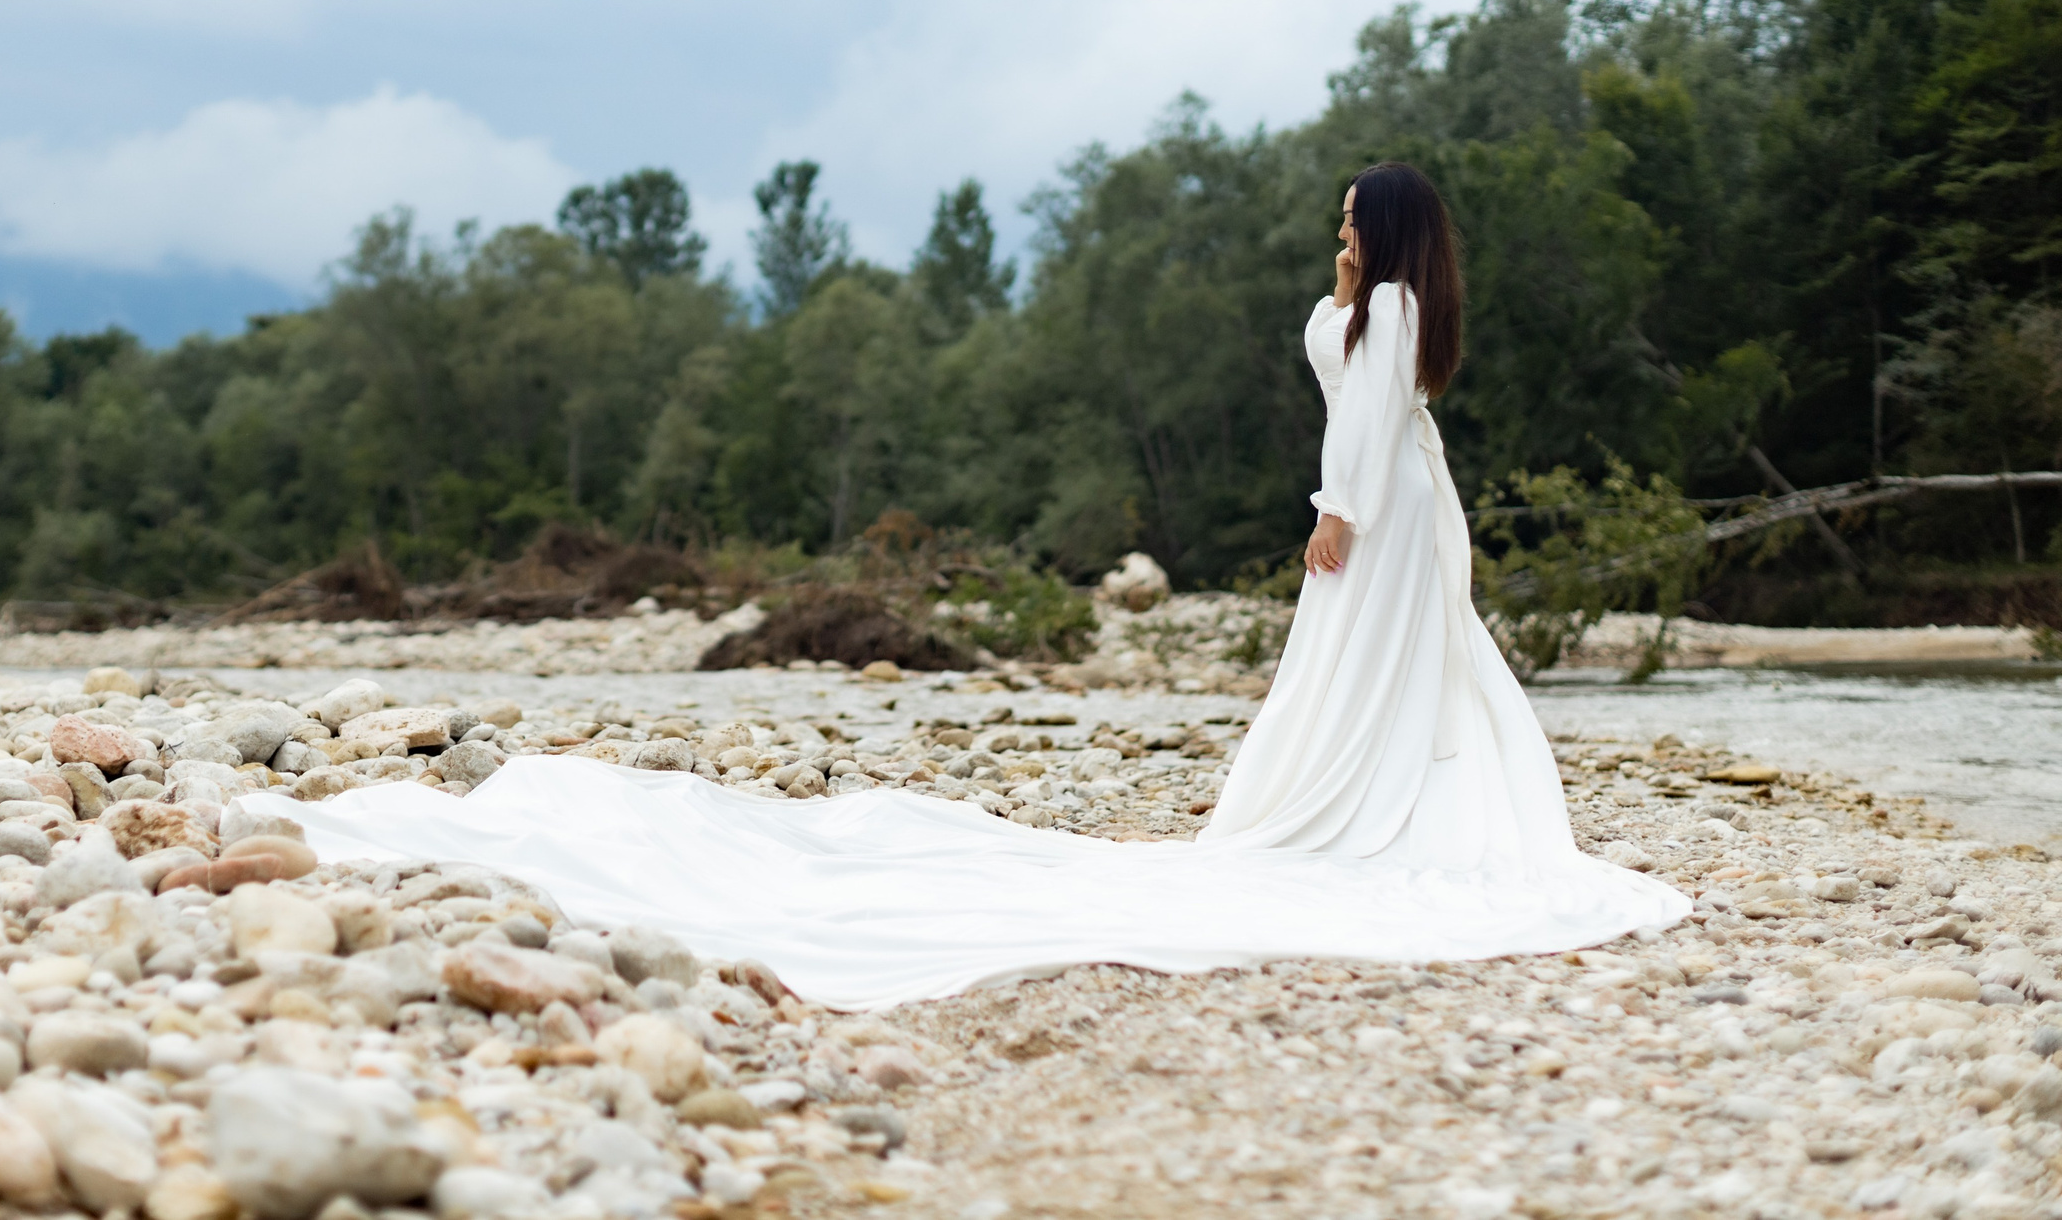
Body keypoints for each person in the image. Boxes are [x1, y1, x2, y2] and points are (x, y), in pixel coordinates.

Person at [250, 162, 1687, 1010]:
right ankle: (1343, 795)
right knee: (1350, 676)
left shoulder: (1392, 314)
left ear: (1389, 228)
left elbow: (1366, 426)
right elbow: (1356, 390)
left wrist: (1336, 519)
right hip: (1382, 506)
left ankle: (1371, 809)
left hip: (1379, 514)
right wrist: (1341, 387)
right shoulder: (1373, 299)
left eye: (1352, 219)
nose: (1342, 234)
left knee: (1379, 663)